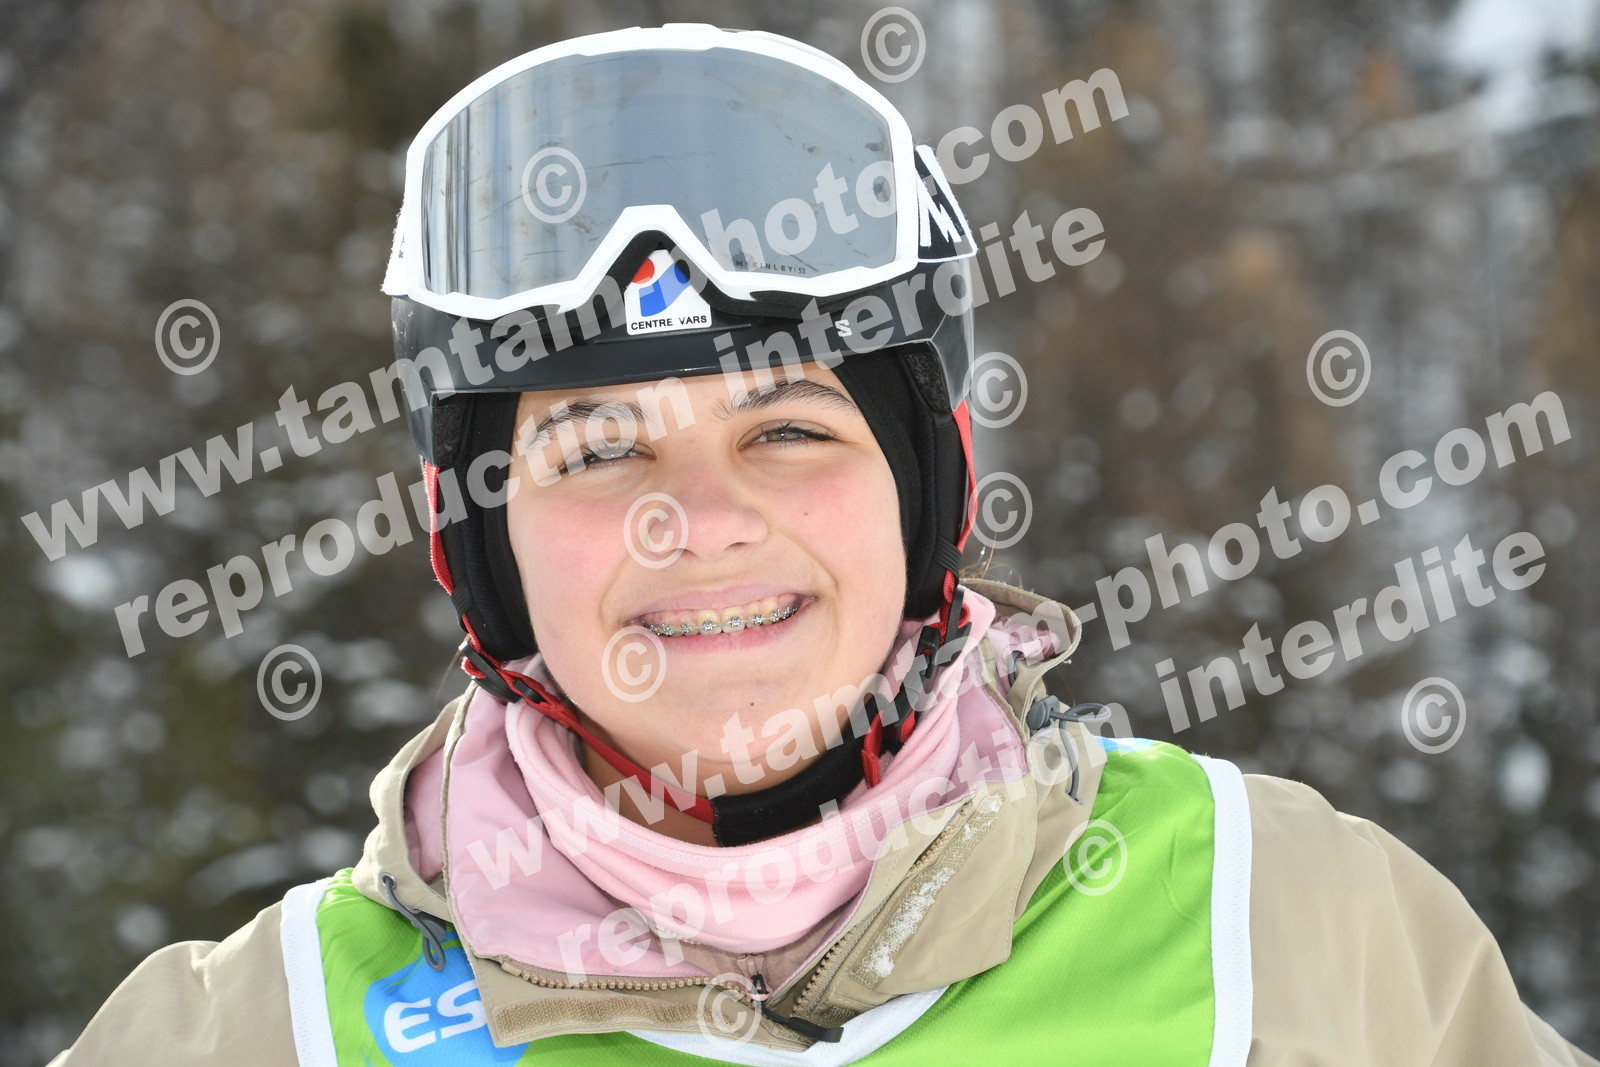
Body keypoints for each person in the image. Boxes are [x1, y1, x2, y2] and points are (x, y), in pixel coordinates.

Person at [53, 24, 1599, 1066]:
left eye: (789, 426)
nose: (702, 517)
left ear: (932, 492)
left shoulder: (1284, 935)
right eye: (601, 448)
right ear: (481, 544)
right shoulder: (275, 1034)